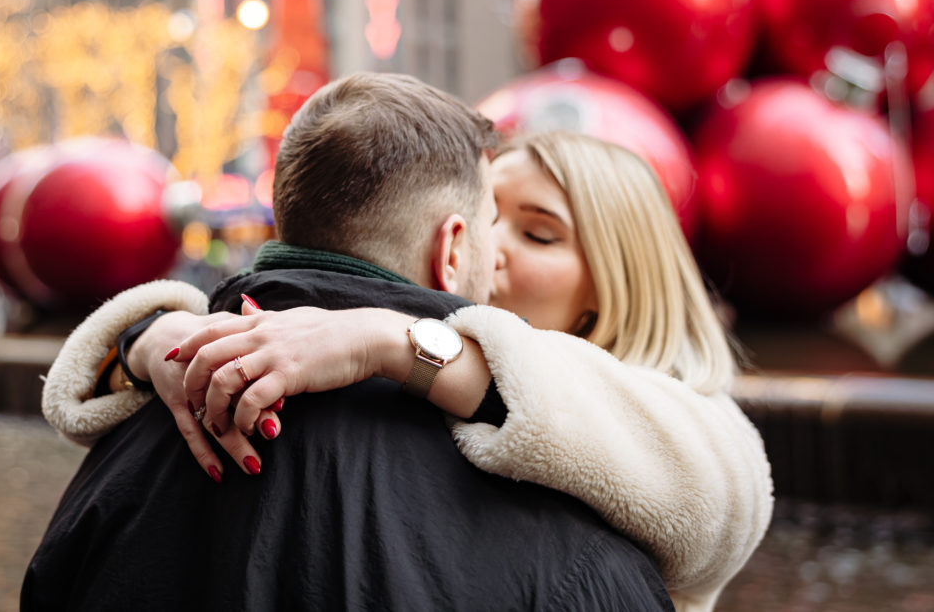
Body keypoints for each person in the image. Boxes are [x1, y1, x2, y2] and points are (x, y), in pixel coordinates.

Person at [39, 126, 773, 611]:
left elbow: (722, 495)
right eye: (489, 217)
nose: (493, 249)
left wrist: (394, 339)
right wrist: (153, 337)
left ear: (616, 285)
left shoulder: (677, 434)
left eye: (540, 232)